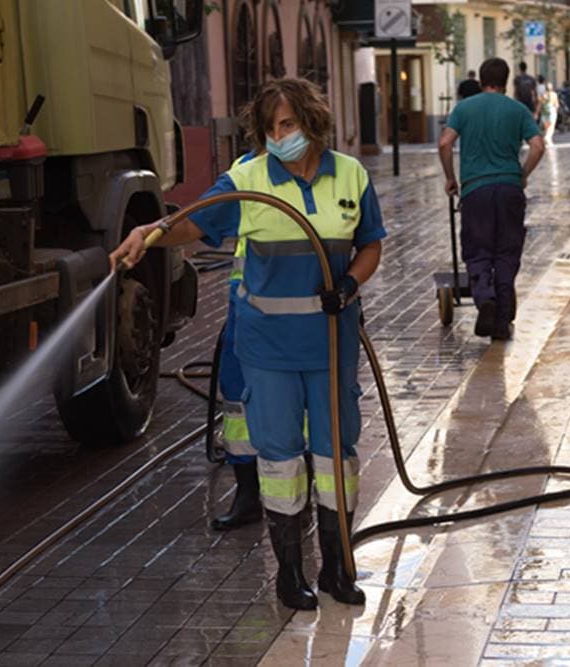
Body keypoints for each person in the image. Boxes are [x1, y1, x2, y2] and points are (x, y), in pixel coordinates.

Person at [110, 77, 386, 610]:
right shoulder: (248, 178)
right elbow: (195, 225)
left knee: (336, 456)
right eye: (271, 128)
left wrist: (349, 284)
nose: (281, 135)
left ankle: (336, 568)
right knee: (281, 460)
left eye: (289, 124)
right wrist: (149, 232)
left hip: (331, 343)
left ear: (311, 120)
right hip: (269, 348)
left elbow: (370, 243)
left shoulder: (350, 174)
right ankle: (290, 574)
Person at [437, 58, 546, 341]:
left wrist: (451, 178)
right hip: (509, 188)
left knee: (478, 249)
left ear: (482, 79)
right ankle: (501, 318)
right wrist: (522, 174)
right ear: (507, 81)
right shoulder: (518, 110)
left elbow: (445, 143)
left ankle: (484, 297)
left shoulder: (464, 108)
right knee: (507, 251)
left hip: (476, 190)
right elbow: (537, 145)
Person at [209, 151, 261, 532]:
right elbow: (200, 219)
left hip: (305, 311)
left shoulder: (330, 170)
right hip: (245, 304)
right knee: (236, 394)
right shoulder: (242, 173)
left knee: (304, 400)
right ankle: (247, 491)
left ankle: (305, 489)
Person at [541, 81, 559, 147]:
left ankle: (549, 141)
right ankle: (547, 138)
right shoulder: (554, 94)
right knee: (551, 127)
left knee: (547, 128)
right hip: (552, 112)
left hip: (544, 113)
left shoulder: (543, 95)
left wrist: (537, 113)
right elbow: (556, 104)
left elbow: (540, 104)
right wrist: (556, 111)